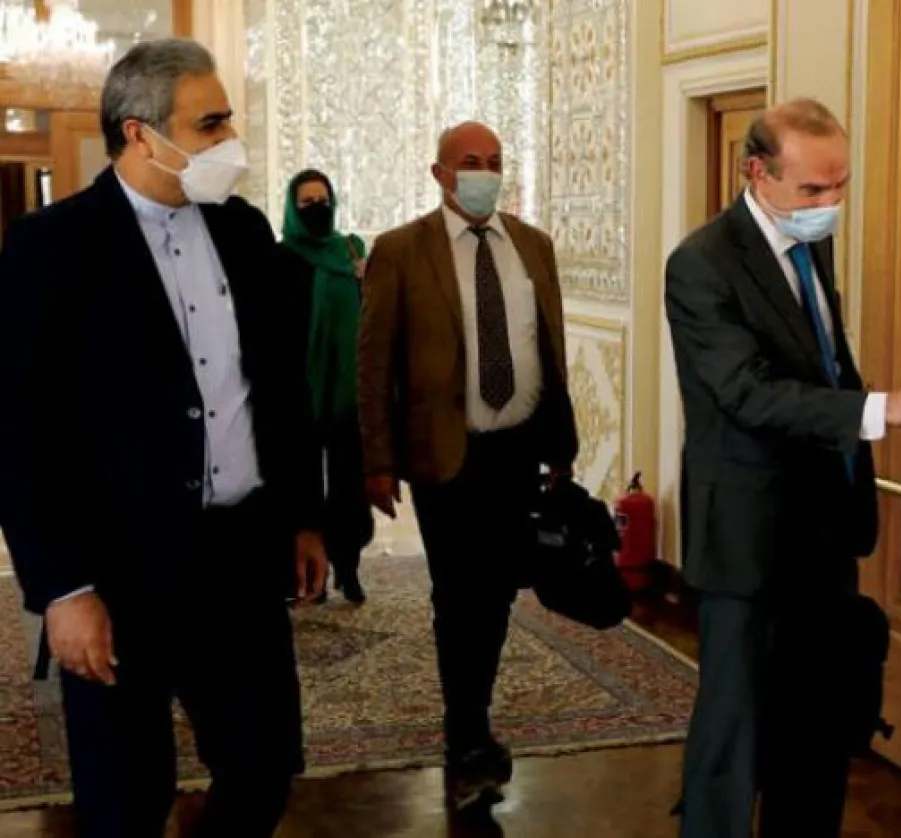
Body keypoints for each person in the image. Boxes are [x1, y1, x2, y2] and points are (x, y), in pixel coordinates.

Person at [0, 39, 327, 838]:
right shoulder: (53, 246)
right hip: (120, 572)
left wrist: (302, 517)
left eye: (227, 121)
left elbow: (278, 390)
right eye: (209, 124)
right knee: (127, 801)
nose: (229, 141)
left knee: (262, 770)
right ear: (140, 134)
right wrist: (63, 589)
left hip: (240, 559)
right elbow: (18, 430)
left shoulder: (243, 230)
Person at [663, 97, 901, 838]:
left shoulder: (812, 247)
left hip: (825, 533)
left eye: (840, 185)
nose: (829, 204)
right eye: (812, 189)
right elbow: (746, 392)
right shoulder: (701, 264)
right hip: (747, 540)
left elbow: (824, 366)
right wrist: (879, 410)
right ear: (757, 173)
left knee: (817, 737)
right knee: (733, 745)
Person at [356, 121, 578, 813]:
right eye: (471, 162)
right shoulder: (401, 251)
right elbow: (373, 363)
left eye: (495, 161)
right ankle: (466, 744)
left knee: (499, 591)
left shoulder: (532, 246)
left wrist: (560, 446)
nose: (485, 173)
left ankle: (474, 724)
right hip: (445, 453)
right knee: (458, 597)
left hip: (517, 448)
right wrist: (377, 460)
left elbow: (549, 346)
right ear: (440, 174)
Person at [280, 169, 374, 604]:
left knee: (349, 486)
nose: (317, 209)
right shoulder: (281, 258)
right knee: (302, 488)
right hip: (299, 392)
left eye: (323, 201)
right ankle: (308, 573)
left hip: (347, 392)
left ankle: (348, 566)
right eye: (307, 203)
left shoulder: (351, 251)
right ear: (293, 208)